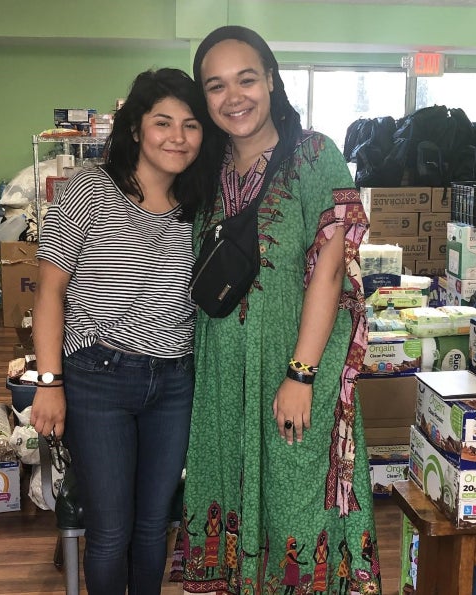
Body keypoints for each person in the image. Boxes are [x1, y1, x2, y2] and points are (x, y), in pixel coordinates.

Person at [181, 25, 382, 595]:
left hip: (295, 368)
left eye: (246, 79)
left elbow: (330, 266)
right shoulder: (206, 167)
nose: (233, 96)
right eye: (215, 86)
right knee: (228, 491)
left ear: (270, 79)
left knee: (298, 503)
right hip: (220, 372)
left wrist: (301, 373)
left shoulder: (315, 155)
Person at [30, 67, 216, 595]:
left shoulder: (199, 207)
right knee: (110, 531)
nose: (177, 136)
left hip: (175, 382)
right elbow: (49, 292)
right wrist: (49, 383)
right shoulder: (92, 190)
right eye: (163, 122)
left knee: (154, 525)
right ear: (136, 128)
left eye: (191, 124)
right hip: (98, 378)